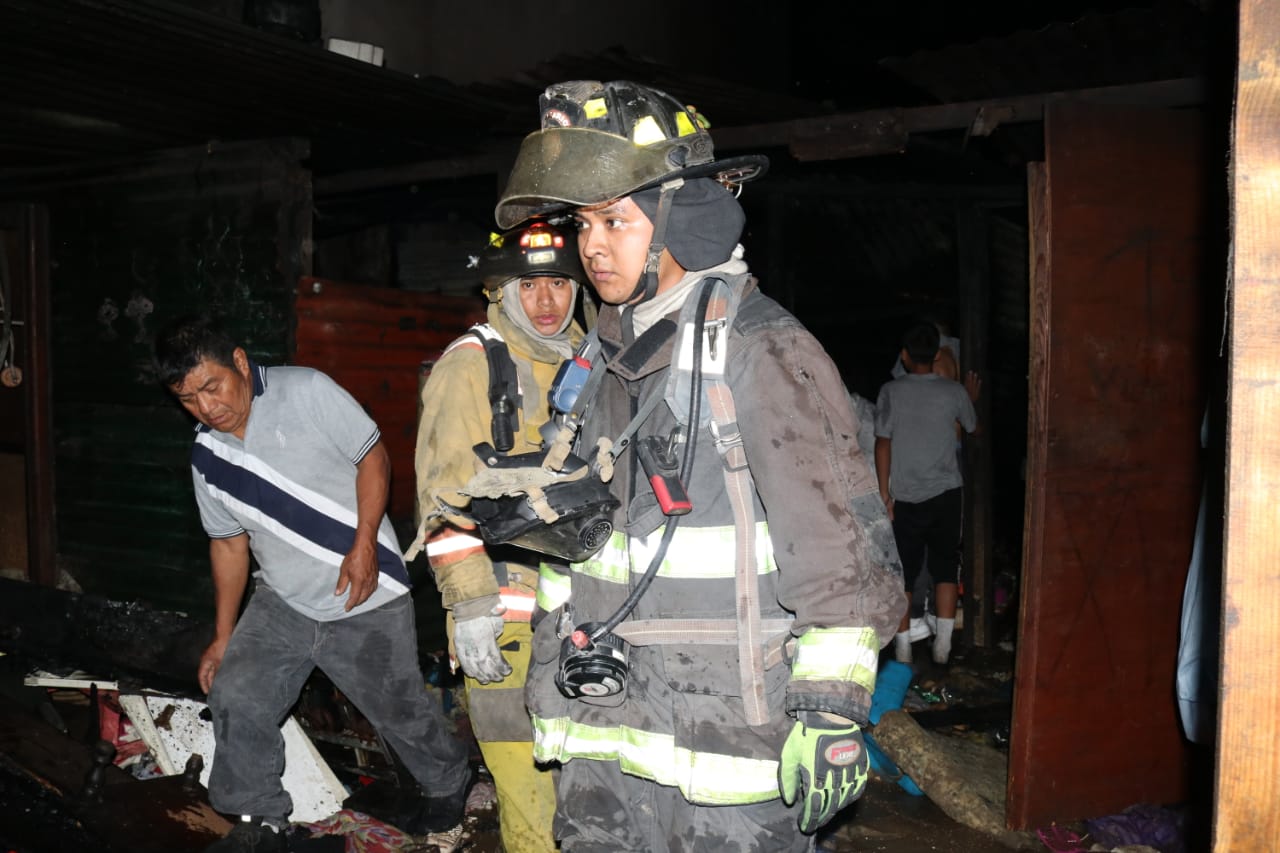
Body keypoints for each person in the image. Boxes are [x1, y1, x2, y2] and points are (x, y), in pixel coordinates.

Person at [490, 79, 906, 852]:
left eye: (616, 220)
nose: (593, 246)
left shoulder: (760, 350)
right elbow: (580, 538)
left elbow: (842, 550)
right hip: (604, 732)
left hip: (728, 748)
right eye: (585, 222)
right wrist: (530, 620)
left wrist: (829, 708)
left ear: (689, 216)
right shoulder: (596, 358)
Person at [153, 316, 470, 853]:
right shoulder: (207, 455)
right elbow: (229, 544)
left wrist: (365, 542)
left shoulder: (306, 390)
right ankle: (260, 817)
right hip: (282, 600)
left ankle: (448, 785)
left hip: (365, 590)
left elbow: (373, 458)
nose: (206, 408)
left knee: (398, 710)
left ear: (239, 362)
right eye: (187, 399)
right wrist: (224, 636)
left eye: (212, 387)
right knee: (238, 693)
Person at [411, 220, 590, 853]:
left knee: (588, 785)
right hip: (505, 611)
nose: (548, 302)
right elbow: (442, 496)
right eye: (531, 285)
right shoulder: (471, 367)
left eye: (560, 284)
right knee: (526, 782)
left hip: (589, 607)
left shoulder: (592, 359)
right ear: (500, 291)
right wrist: (471, 605)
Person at [874, 321, 980, 666]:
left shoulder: (891, 391)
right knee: (946, 566)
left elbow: (883, 443)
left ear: (904, 356)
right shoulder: (953, 392)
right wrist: (970, 397)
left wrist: (884, 493)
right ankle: (943, 649)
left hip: (906, 497)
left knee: (905, 570)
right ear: (937, 354)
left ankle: (903, 650)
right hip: (948, 494)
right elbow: (972, 425)